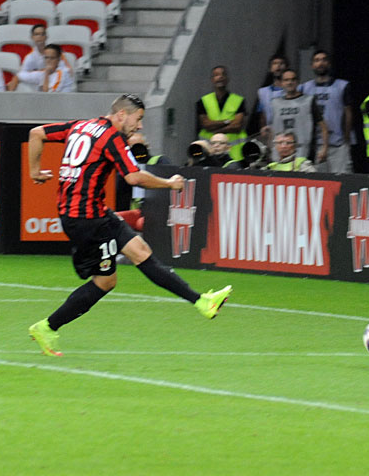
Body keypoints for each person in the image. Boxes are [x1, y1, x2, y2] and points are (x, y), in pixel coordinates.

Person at [26, 94, 233, 357]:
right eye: (139, 119)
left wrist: (34, 171)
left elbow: (36, 133)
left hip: (95, 213)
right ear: (122, 115)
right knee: (104, 282)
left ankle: (202, 302)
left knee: (141, 252)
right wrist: (169, 184)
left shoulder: (81, 126)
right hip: (86, 220)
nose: (140, 126)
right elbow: (134, 177)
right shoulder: (112, 137)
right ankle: (46, 327)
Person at [301, 50, 356, 174]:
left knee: (343, 178)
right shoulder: (304, 88)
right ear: (312, 65)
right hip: (315, 144)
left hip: (338, 142)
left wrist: (346, 139)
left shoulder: (342, 85)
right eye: (317, 60)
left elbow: (348, 113)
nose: (320, 63)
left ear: (329, 63)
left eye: (324, 59)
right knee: (319, 182)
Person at [268, 69, 328, 164]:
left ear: (298, 82)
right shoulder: (275, 103)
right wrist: (271, 149)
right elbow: (273, 129)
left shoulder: (308, 101)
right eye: (286, 80)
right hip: (281, 153)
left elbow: (323, 126)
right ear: (281, 83)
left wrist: (324, 148)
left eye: (293, 79)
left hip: (304, 153)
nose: (290, 82)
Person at [196, 65, 246, 161]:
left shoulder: (238, 100)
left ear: (227, 79)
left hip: (234, 154)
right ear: (212, 79)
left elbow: (237, 125)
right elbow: (206, 125)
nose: (220, 77)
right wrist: (227, 122)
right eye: (216, 75)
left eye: (223, 74)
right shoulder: (203, 101)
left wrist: (215, 131)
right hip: (209, 153)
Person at [248, 55, 287, 138]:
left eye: (281, 63)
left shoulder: (295, 89)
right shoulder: (263, 92)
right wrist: (264, 129)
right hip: (272, 132)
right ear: (270, 68)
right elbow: (262, 114)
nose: (278, 66)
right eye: (275, 63)